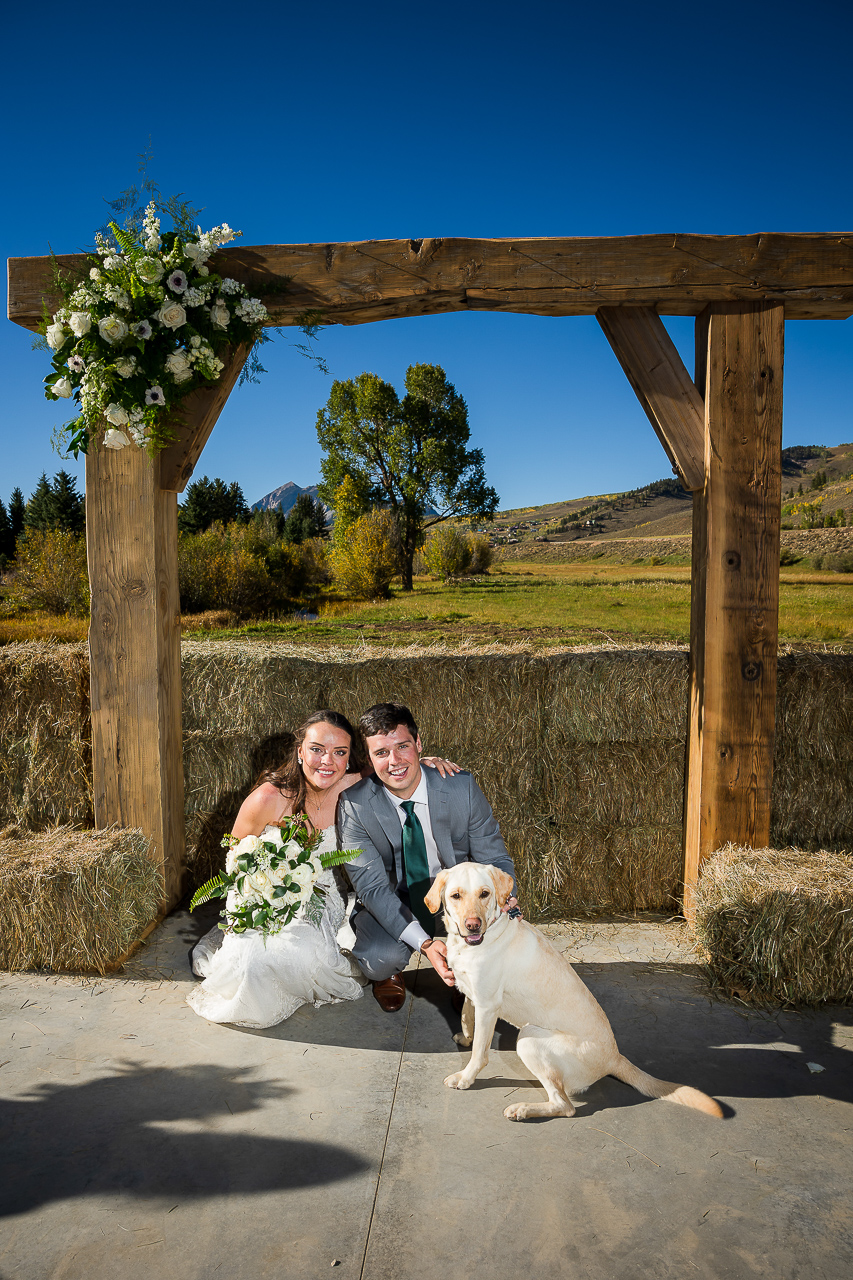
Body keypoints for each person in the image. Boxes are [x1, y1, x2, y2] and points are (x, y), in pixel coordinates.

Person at [187, 710, 459, 1028]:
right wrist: (262, 889)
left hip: (322, 896)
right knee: (252, 961)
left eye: (339, 752)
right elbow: (234, 858)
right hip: (261, 897)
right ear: (300, 751)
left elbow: (397, 766)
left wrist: (427, 762)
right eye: (317, 749)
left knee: (300, 954)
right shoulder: (267, 799)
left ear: (348, 759)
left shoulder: (356, 787)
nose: (327, 761)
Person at [339, 702, 518, 1013]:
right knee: (379, 959)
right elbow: (372, 889)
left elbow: (495, 857)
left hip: (458, 897)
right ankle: (391, 972)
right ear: (368, 759)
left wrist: (506, 898)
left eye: (402, 747)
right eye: (381, 753)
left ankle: (468, 975)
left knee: (505, 945)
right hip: (397, 897)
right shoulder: (354, 806)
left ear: (418, 744)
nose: (394, 761)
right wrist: (426, 944)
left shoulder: (462, 788)